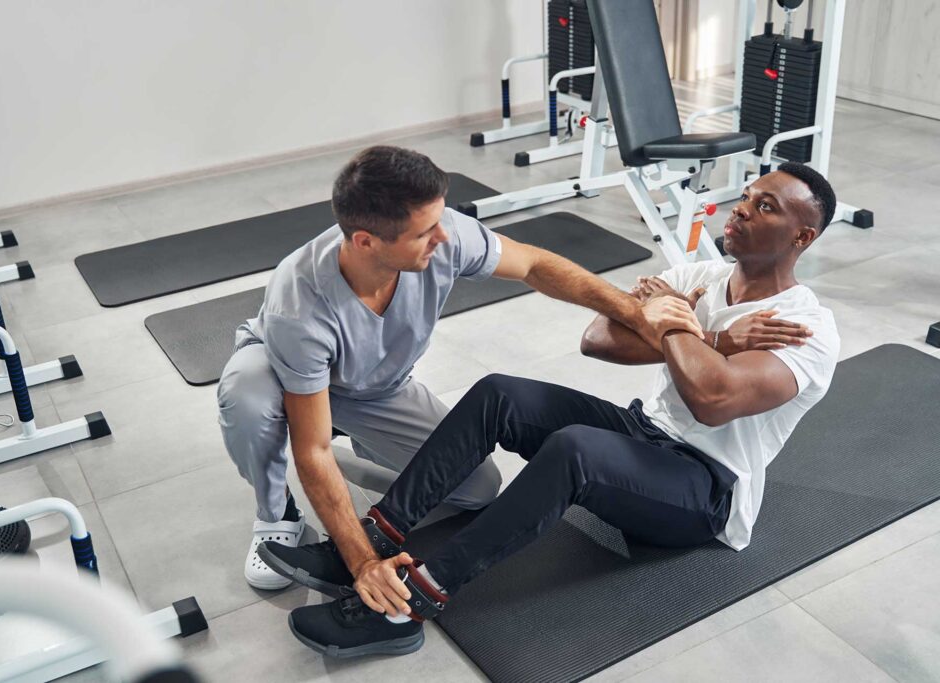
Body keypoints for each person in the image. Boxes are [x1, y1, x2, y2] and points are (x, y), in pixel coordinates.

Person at [260, 163, 841, 658]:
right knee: (501, 393)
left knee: (575, 450)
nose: (737, 210)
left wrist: (672, 320)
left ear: (802, 237)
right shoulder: (700, 277)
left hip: (706, 488)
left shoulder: (806, 328)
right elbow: (599, 338)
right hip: (646, 432)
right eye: (744, 197)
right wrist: (711, 340)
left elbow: (712, 400)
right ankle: (373, 540)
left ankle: (407, 606)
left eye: (763, 207)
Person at [217, 145, 692, 590]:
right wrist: (362, 563)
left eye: (441, 219)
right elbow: (314, 448)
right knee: (249, 398)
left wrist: (634, 312)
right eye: (425, 232)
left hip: (376, 388)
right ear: (365, 241)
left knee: (479, 489)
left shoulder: (445, 233)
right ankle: (276, 510)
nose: (444, 237)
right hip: (283, 373)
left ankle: (352, 450)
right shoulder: (299, 306)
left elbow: (535, 265)